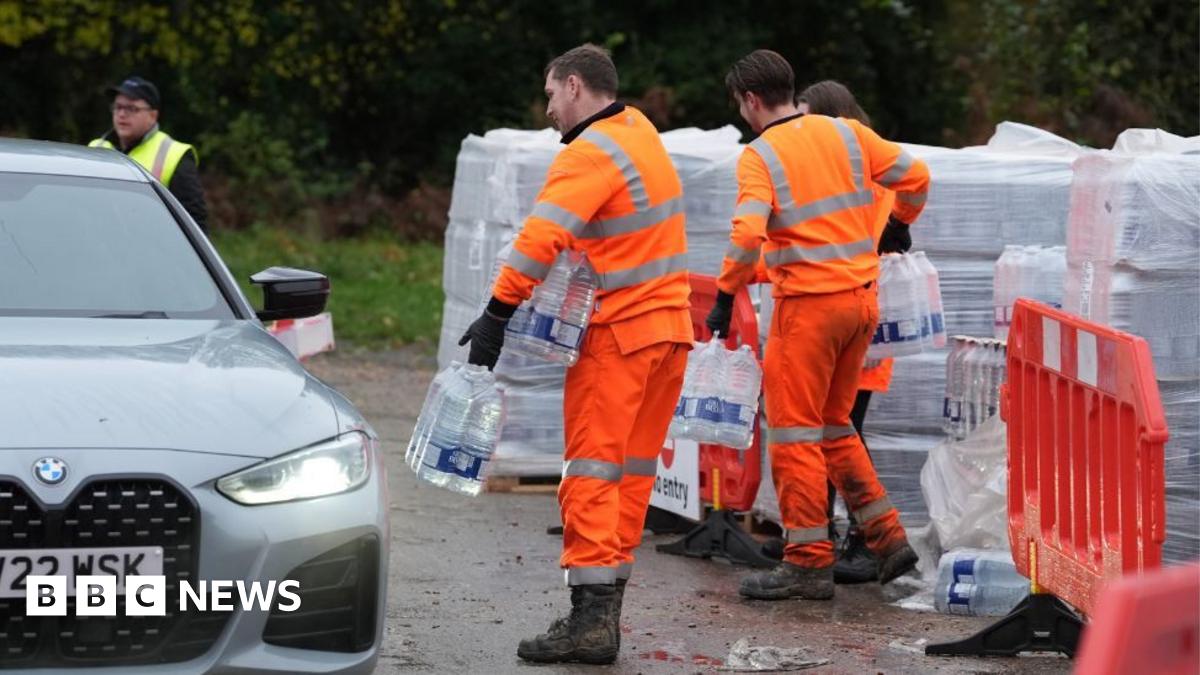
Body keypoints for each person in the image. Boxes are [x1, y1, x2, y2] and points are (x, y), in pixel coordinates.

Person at [458, 44, 691, 664]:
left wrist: (497, 313)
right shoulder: (637, 130)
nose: (548, 109)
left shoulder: (589, 153)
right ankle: (604, 618)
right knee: (630, 477)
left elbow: (541, 238)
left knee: (590, 473)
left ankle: (589, 624)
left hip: (620, 335)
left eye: (551, 94)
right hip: (670, 332)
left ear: (575, 85)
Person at [706, 50, 928, 601]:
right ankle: (887, 538)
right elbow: (917, 176)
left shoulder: (760, 156)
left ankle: (806, 562)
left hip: (807, 313)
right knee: (834, 426)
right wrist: (899, 222)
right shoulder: (848, 133)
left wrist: (727, 290)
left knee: (794, 433)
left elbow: (748, 233)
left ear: (752, 101)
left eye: (741, 106)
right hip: (859, 306)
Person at [797, 79, 894, 584]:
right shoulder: (866, 168)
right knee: (833, 430)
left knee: (843, 432)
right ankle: (832, 534)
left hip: (853, 320)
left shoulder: (859, 176)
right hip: (856, 316)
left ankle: (865, 539)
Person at [89, 76, 208, 231]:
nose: (122, 114)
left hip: (151, 248)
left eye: (132, 108)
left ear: (153, 116)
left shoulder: (174, 154)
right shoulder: (96, 148)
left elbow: (194, 223)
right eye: (118, 107)